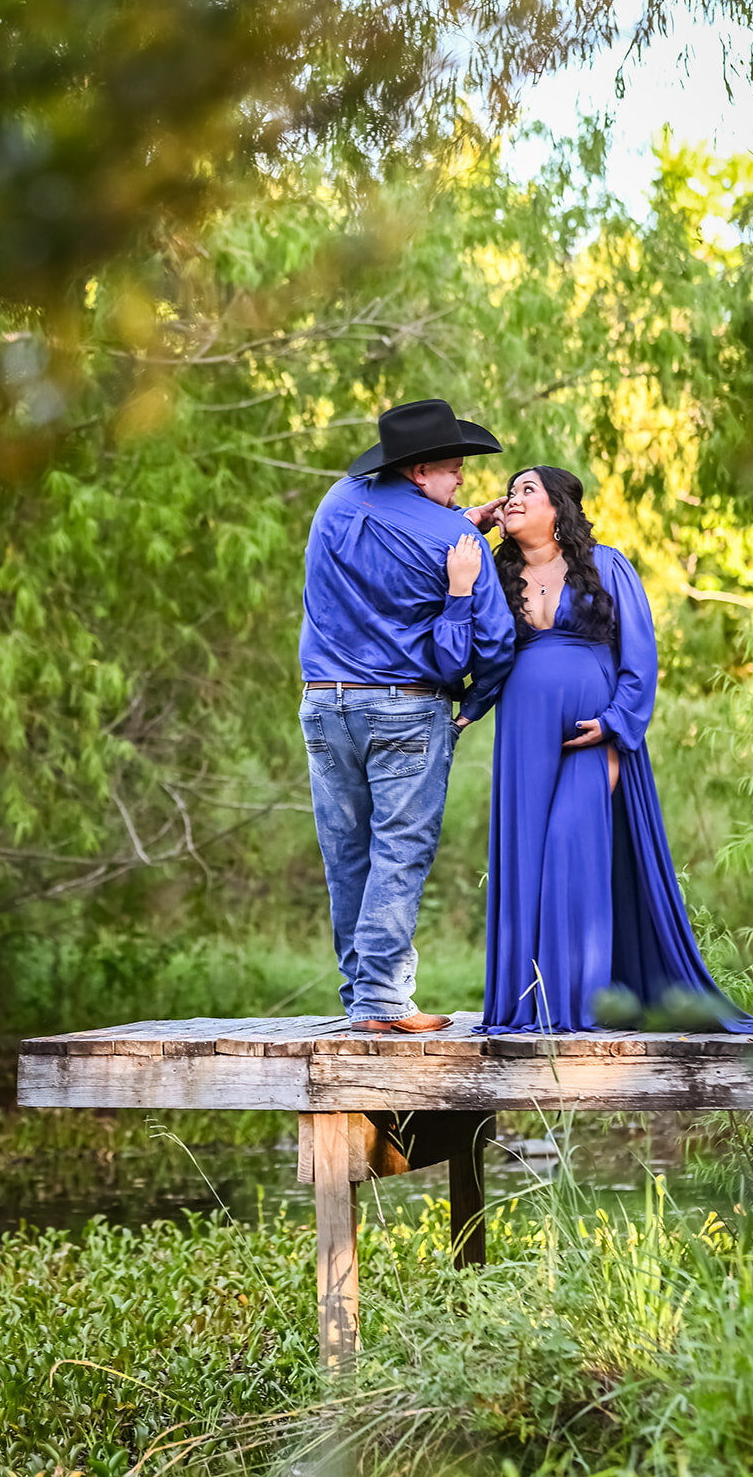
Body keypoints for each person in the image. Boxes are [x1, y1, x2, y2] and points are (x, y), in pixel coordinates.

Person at [479, 465, 753, 1035]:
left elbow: (640, 657)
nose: (511, 499)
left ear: (558, 508)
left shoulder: (606, 566)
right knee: (527, 859)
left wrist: (613, 725)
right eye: (508, 493)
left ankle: (576, 1006)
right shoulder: (494, 572)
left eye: (526, 491)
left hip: (593, 735)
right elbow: (478, 648)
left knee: (569, 849)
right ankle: (527, 1006)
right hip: (523, 738)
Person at [299, 398, 515, 1033]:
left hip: (324, 702)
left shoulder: (335, 501)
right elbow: (489, 649)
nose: (462, 482)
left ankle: (362, 998)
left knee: (346, 853)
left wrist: (463, 522)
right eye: (454, 470)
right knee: (399, 851)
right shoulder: (458, 542)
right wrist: (474, 703)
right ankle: (384, 1002)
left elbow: (389, 536)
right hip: (404, 708)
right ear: (420, 472)